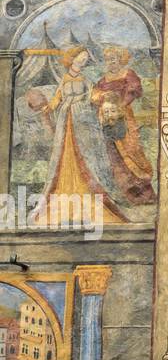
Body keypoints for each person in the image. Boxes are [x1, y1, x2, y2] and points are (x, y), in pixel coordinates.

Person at [30, 47, 127, 227]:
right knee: (65, 151)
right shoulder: (65, 79)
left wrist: (102, 96)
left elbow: (93, 95)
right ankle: (65, 187)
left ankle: (88, 190)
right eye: (80, 58)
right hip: (66, 118)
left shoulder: (85, 80)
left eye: (85, 59)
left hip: (82, 118)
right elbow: (57, 99)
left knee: (85, 152)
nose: (83, 61)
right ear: (72, 59)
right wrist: (48, 108)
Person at [92, 47, 155, 203]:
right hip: (108, 118)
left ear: (120, 59)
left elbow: (135, 89)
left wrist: (120, 104)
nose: (111, 63)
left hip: (125, 117)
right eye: (108, 60)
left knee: (132, 149)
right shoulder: (103, 79)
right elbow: (94, 95)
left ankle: (143, 194)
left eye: (113, 59)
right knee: (114, 155)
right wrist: (104, 97)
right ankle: (125, 195)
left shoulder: (128, 74)